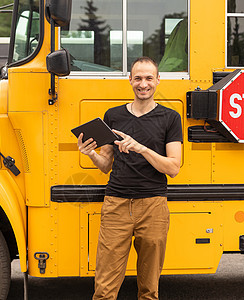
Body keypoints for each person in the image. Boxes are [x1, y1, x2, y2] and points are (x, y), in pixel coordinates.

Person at [77, 56, 183, 300]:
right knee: (104, 288)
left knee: (149, 289)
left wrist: (141, 148)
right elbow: (105, 165)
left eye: (148, 78)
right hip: (116, 204)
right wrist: (90, 153)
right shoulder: (113, 116)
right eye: (138, 78)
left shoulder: (170, 118)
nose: (143, 84)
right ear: (130, 80)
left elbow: (173, 167)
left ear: (158, 80)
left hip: (153, 205)